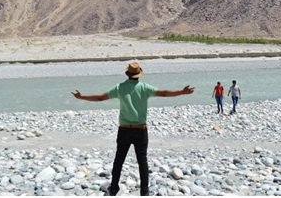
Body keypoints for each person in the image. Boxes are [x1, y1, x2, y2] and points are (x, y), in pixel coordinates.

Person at [71, 61, 195, 196]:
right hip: (141, 130)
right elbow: (164, 93)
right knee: (142, 162)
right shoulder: (144, 87)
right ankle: (144, 192)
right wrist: (182, 92)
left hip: (124, 130)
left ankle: (113, 189)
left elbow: (100, 98)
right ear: (139, 74)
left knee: (119, 160)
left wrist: (81, 96)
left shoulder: (120, 88)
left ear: (128, 74)